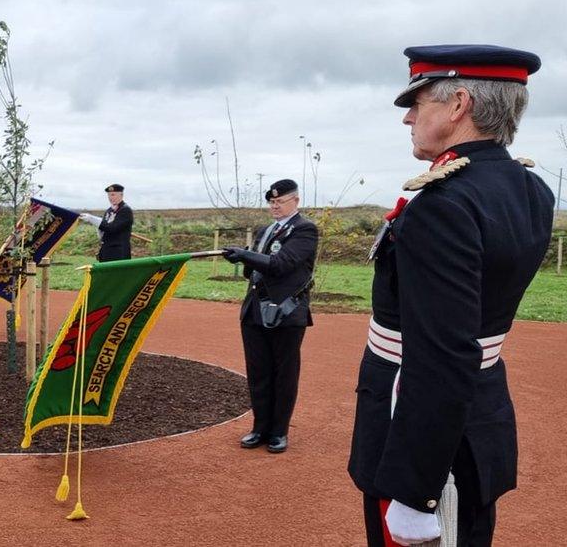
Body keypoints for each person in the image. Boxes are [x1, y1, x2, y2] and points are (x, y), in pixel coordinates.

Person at [347, 45, 553, 546]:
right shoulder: (529, 188)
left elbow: (440, 355)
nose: (409, 118)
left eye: (418, 103)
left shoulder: (444, 203)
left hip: (424, 437)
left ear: (459, 104)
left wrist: (415, 493)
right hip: (478, 417)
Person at [222, 179, 318, 454]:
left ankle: (278, 432)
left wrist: (244, 255)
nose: (275, 206)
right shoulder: (265, 231)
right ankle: (259, 427)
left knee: (284, 373)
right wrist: (243, 258)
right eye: (272, 202)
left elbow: (281, 264)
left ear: (295, 201)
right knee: (258, 372)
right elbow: (252, 270)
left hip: (286, 313)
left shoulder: (304, 230)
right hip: (255, 309)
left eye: (280, 201)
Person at [80, 183, 133, 262]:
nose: (110, 198)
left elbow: (112, 228)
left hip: (118, 254)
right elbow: (104, 227)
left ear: (121, 195)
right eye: (109, 195)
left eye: (113, 195)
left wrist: (92, 219)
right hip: (106, 251)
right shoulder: (109, 210)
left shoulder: (125, 210)